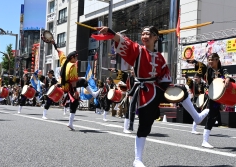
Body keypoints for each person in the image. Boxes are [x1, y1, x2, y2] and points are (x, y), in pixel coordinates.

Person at [98, 25, 209, 167]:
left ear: (156, 37)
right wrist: (111, 32)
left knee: (181, 90)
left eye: (148, 34)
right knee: (145, 124)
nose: (144, 36)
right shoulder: (138, 50)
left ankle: (196, 117)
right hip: (145, 91)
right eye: (143, 34)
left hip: (158, 88)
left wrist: (170, 88)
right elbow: (125, 42)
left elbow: (165, 77)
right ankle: (137, 159)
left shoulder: (160, 57)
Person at [49, 40, 100, 130]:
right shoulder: (72, 66)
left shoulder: (64, 60)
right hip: (69, 86)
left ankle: (70, 123)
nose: (76, 59)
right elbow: (73, 81)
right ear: (72, 58)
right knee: (83, 82)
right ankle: (94, 94)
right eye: (76, 58)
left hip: (63, 85)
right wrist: (75, 90)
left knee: (75, 102)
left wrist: (54, 44)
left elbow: (59, 51)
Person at [187, 53, 234, 148]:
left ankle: (199, 118)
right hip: (212, 95)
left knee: (214, 114)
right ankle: (204, 140)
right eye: (209, 60)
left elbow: (227, 75)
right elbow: (202, 68)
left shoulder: (222, 70)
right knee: (212, 116)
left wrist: (228, 78)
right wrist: (195, 62)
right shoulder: (208, 70)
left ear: (217, 60)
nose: (210, 62)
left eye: (212, 60)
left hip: (220, 95)